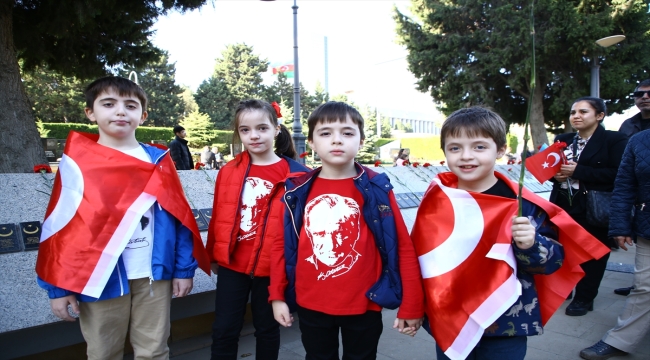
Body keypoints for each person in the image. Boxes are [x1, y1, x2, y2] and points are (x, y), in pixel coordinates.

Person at [35, 76, 209, 360]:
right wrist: (57, 287)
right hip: (98, 277)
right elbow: (60, 228)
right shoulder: (78, 162)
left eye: (130, 105)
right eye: (108, 103)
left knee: (154, 350)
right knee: (104, 352)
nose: (120, 111)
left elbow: (178, 216)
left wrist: (183, 269)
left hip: (154, 274)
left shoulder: (159, 159)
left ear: (143, 114)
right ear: (90, 112)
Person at [411, 107, 582, 360]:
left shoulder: (521, 203)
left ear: (500, 150)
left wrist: (531, 245)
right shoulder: (438, 198)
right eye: (455, 148)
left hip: (505, 323)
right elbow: (421, 257)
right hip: (449, 315)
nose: (466, 156)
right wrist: (413, 306)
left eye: (479, 147)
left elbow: (552, 261)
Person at [269, 101, 425, 359]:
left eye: (347, 133)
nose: (337, 140)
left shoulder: (377, 189)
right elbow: (281, 246)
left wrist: (412, 303)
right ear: (311, 143)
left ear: (361, 141)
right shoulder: (296, 192)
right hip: (311, 304)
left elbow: (402, 246)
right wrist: (277, 295)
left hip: (365, 303)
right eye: (326, 133)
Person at [206, 99, 309, 360]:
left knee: (267, 329)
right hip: (233, 266)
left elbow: (300, 228)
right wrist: (214, 255)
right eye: (245, 130)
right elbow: (219, 214)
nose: (254, 136)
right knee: (224, 329)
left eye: (262, 128)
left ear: (276, 129)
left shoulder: (297, 175)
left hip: (272, 268)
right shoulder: (229, 170)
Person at [579, 100, 650, 359]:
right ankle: (620, 341)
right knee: (645, 287)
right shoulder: (639, 140)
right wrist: (620, 226)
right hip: (647, 226)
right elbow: (623, 186)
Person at [549, 96, 628, 316]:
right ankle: (564, 289)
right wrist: (554, 176)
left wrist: (578, 171)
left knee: (593, 254)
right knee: (561, 250)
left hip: (594, 207)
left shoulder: (614, 140)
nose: (576, 116)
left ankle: (585, 298)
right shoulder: (562, 139)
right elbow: (550, 170)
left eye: (583, 112)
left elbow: (617, 174)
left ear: (599, 116)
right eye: (573, 112)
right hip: (562, 204)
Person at [613, 78, 650, 297]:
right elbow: (623, 179)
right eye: (639, 94)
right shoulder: (628, 127)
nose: (644, 97)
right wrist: (620, 224)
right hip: (641, 209)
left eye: (649, 93)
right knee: (643, 284)